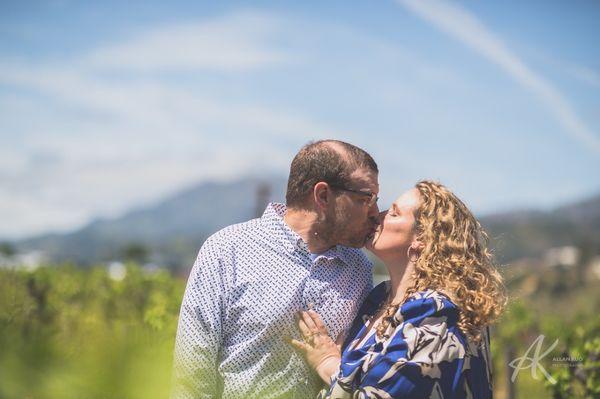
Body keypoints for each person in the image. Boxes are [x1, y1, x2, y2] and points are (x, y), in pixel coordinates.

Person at [172, 140, 381, 398]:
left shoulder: (358, 269)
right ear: (323, 195)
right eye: (366, 198)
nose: (375, 213)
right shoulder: (227, 250)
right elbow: (192, 374)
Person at [291, 180, 507, 398]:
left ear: (423, 239)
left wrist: (328, 364)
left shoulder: (437, 312)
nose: (378, 215)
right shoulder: (378, 299)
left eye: (394, 213)